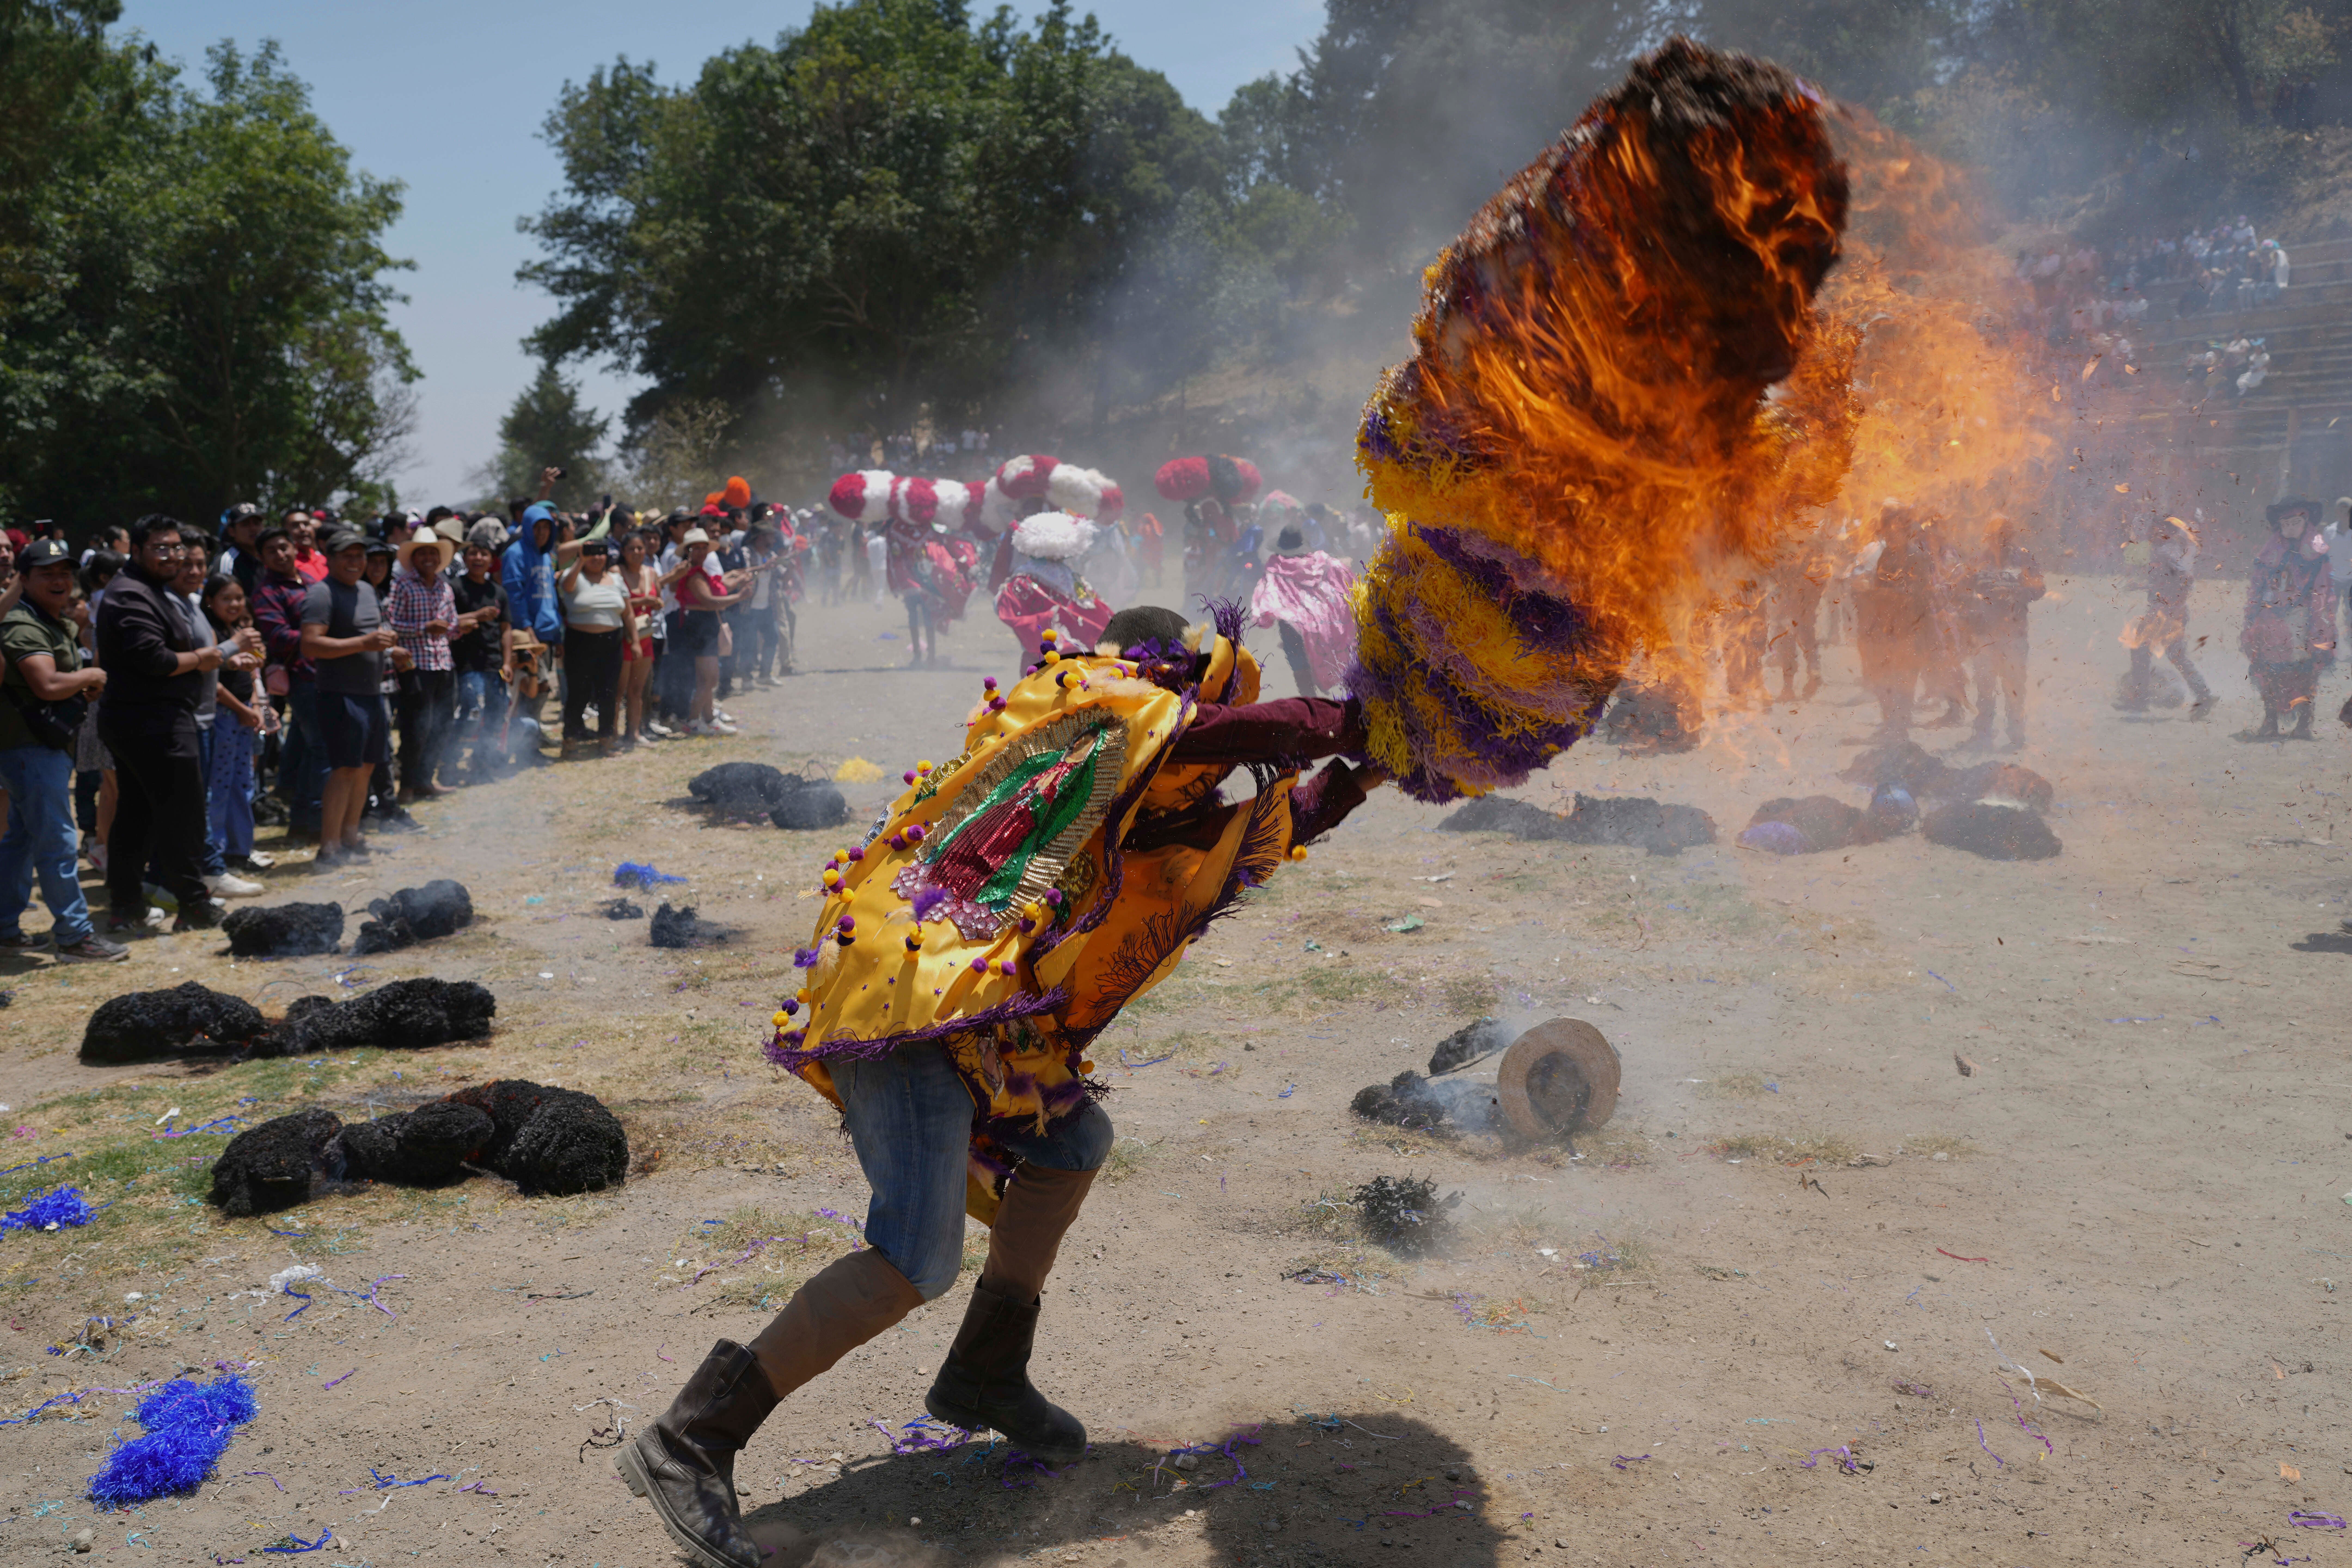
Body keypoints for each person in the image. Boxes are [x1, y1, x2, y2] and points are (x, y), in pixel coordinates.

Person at [618, 605, 1388, 1568]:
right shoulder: (1111, 711)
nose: (1213, 782)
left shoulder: (1119, 786)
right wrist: (1375, 714)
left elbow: (1250, 838)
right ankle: (689, 1440)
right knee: (914, 1257)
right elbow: (1241, 737)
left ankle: (987, 1372)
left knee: (1073, 1143)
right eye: (1203, 749)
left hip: (973, 1016)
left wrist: (1371, 773)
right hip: (913, 1005)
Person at [94, 515, 254, 932]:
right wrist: (208, 658)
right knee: (182, 814)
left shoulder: (153, 590)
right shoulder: (130, 594)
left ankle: (126, 904)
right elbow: (156, 661)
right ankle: (194, 904)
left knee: (140, 814)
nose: (172, 556)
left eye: (176, 548)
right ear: (138, 551)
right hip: (151, 719)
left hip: (153, 717)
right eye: (161, 548)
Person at [0, 539, 127, 962]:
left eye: (64, 572)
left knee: (19, 841)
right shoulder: (23, 625)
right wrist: (91, 674)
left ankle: (4, 928)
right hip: (31, 752)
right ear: (25, 579)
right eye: (46, 573)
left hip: (42, 749)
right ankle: (76, 938)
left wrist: (81, 686)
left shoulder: (53, 621)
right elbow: (47, 684)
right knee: (57, 842)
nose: (59, 580)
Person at [301, 531, 406, 864]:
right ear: (329, 559)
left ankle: (351, 836)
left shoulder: (366, 590)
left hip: (372, 693)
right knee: (345, 768)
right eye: (347, 556)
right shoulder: (321, 594)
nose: (355, 562)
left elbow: (370, 637)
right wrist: (364, 644)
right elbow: (311, 645)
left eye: (359, 556)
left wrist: (394, 649)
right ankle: (329, 848)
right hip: (340, 694)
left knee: (367, 767)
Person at [250, 527, 326, 838]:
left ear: (295, 548)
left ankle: (306, 817)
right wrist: (321, 638)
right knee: (320, 749)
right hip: (301, 677)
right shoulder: (267, 592)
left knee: (311, 748)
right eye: (272, 551)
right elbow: (277, 636)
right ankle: (307, 821)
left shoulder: (311, 583)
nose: (280, 555)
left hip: (326, 673)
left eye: (284, 547)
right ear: (262, 557)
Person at [2241, 497, 2337, 740]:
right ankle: (2270, 722)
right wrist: (2252, 617)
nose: (2292, 527)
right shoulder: (2270, 552)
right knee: (2270, 672)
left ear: (2306, 524)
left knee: (2305, 673)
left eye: (2296, 522)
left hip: (2304, 622)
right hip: (2271, 621)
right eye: (2287, 522)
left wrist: (2321, 628)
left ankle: (2304, 725)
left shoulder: (2318, 555)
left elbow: (2324, 592)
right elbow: (2257, 586)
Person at [201, 573, 274, 878]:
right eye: (226, 599)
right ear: (210, 602)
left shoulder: (238, 631)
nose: (234, 604)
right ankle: (215, 854)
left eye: (238, 599)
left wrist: (257, 708)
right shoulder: (213, 636)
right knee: (218, 788)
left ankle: (239, 849)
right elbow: (213, 685)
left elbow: (252, 676)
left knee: (242, 784)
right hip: (225, 717)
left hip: (244, 717)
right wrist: (244, 710)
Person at [1960, 515, 2045, 749]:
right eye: (1994, 538)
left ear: (2010, 539)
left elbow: (2039, 589)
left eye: (2003, 538)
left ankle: (2016, 737)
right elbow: (1962, 588)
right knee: (1985, 687)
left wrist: (2017, 595)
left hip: (2014, 633)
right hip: (1984, 634)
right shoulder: (1978, 560)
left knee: (2014, 687)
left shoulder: (2024, 558)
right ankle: (1983, 735)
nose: (1997, 542)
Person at [388, 530, 460, 799]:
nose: (429, 558)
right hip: (416, 666)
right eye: (423, 553)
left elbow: (453, 626)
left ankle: (425, 780)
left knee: (442, 727)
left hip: (444, 665)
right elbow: (392, 625)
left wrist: (452, 629)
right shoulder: (403, 585)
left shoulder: (445, 587)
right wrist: (424, 629)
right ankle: (408, 785)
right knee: (416, 728)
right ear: (414, 558)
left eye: (433, 553)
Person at [1249, 524, 1356, 698]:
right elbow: (1347, 583)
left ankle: (1312, 709)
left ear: (1281, 547)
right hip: (1325, 626)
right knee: (1333, 667)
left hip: (1293, 629)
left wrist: (1266, 620)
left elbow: (1267, 596)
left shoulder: (1276, 566)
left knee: (1301, 671)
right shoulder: (1323, 562)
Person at [991, 511, 1110, 658]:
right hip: (1082, 657)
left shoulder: (1022, 580)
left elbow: (1004, 607)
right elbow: (1098, 611)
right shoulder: (1074, 577)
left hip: (1043, 657)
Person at [557, 536, 635, 758]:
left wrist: (635, 641)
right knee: (579, 693)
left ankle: (606, 741)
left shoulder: (616, 579)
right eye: (592, 553)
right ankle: (570, 741)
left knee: (608, 693)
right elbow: (567, 586)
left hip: (612, 642)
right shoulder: (573, 576)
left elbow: (627, 613)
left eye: (602, 553)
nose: (597, 558)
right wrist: (580, 561)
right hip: (580, 642)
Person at [451, 523, 515, 775]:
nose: (478, 558)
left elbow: (507, 630)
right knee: (472, 716)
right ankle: (451, 764)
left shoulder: (498, 592)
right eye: (473, 553)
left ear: (492, 560)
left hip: (494, 665)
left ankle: (482, 765)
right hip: (467, 666)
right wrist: (476, 615)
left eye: (484, 554)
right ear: (466, 558)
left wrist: (508, 662)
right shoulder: (455, 588)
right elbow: (447, 622)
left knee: (495, 717)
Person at [673, 528, 746, 735]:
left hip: (704, 624)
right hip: (700, 626)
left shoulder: (698, 572)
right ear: (689, 551)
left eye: (705, 548)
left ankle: (708, 718)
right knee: (710, 679)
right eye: (697, 548)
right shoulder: (694, 574)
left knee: (706, 678)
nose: (702, 552)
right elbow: (709, 601)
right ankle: (694, 720)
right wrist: (739, 597)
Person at [616, 529, 663, 746]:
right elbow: (616, 603)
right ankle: (612, 734)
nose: (637, 552)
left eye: (640, 548)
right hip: (624, 635)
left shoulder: (651, 573)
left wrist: (655, 602)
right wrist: (643, 600)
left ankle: (633, 734)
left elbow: (659, 598)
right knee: (619, 691)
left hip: (645, 634)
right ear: (623, 552)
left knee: (637, 690)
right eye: (632, 549)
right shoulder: (616, 573)